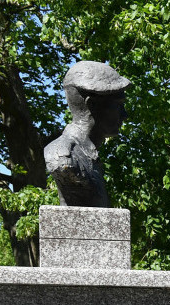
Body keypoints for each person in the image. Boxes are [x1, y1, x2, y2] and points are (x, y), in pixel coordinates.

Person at [44, 61, 131, 208]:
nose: (124, 115)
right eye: (118, 105)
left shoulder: (88, 154)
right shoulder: (65, 157)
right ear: (92, 105)